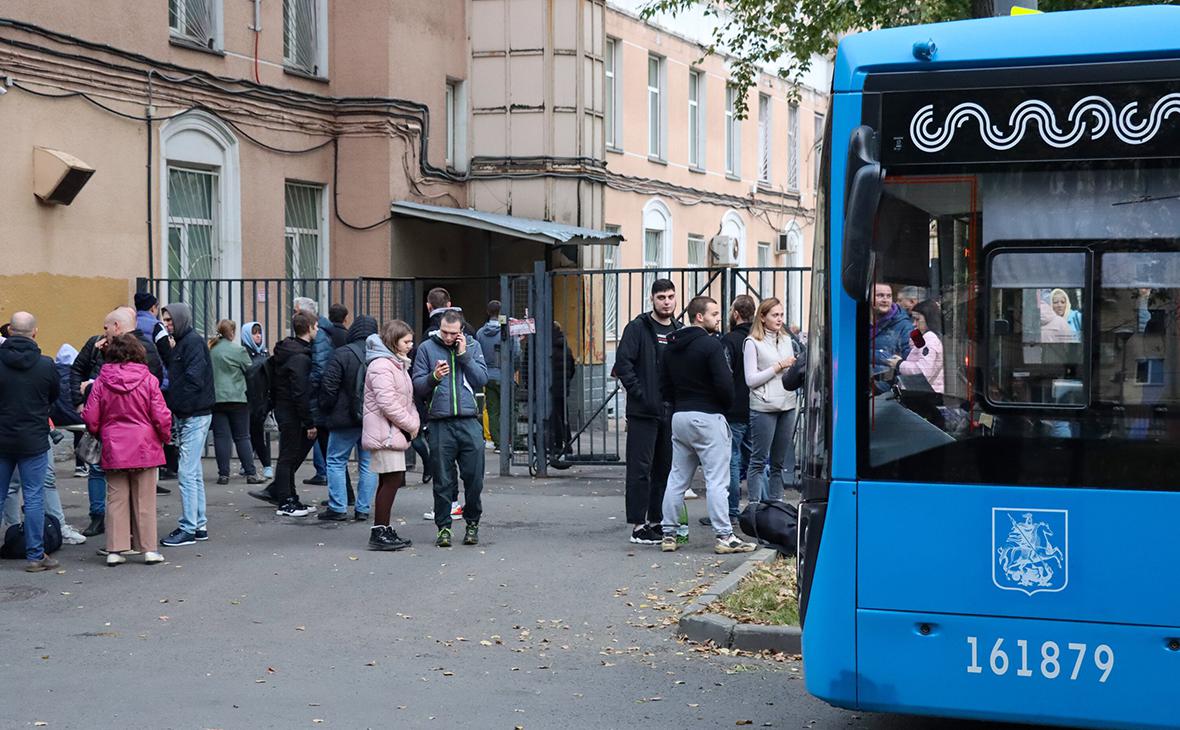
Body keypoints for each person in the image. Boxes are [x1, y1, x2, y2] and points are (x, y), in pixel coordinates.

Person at [658, 296, 757, 554]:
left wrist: (680, 402)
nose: (718, 318)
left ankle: (668, 533)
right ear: (699, 316)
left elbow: (664, 386)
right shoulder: (711, 346)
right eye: (714, 313)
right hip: (709, 417)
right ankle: (724, 536)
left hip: (680, 417)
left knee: (677, 478)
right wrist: (723, 406)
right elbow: (725, 384)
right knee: (717, 480)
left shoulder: (671, 346)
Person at [72, 308, 167, 537]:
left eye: (106, 327)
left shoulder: (143, 348)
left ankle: (121, 540)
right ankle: (132, 537)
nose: (103, 331)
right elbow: (77, 369)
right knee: (112, 479)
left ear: (116, 326)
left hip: (114, 429)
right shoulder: (96, 344)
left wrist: (91, 396)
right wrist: (79, 401)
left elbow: (143, 382)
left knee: (119, 491)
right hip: (132, 432)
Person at [81, 334, 171, 566]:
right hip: (145, 444)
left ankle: (115, 550)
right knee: (145, 499)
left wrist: (99, 432)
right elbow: (161, 415)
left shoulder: (101, 381)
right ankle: (149, 549)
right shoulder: (149, 380)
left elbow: (90, 416)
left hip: (114, 444)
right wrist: (165, 437)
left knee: (116, 499)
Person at [412, 309, 489, 547]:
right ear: (439, 328)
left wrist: (464, 355)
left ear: (461, 331)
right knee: (443, 481)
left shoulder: (473, 346)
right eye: (444, 332)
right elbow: (417, 385)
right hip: (439, 423)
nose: (447, 337)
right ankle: (443, 528)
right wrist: (433, 377)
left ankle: (472, 524)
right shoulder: (426, 348)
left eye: (452, 333)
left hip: (468, 421)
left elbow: (482, 379)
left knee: (474, 479)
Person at [615, 278, 682, 545]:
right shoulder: (638, 328)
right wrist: (641, 394)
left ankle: (656, 521)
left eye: (670, 297)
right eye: (661, 298)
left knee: (664, 468)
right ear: (652, 300)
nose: (666, 302)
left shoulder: (679, 329)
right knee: (640, 468)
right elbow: (624, 364)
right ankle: (638, 524)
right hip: (643, 411)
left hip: (671, 410)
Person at [0, 312, 61, 572]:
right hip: (34, 439)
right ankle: (36, 555)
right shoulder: (46, 365)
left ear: (10, 332)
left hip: (2, 438)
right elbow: (53, 395)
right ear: (34, 332)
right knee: (35, 497)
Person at [248, 311, 318, 517]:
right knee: (288, 456)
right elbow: (300, 391)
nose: (317, 330)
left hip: (283, 408)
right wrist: (309, 421)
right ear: (310, 328)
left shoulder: (286, 349)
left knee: (288, 455)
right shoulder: (300, 357)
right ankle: (286, 502)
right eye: (315, 326)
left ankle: (291, 498)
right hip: (291, 412)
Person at [159, 303, 215, 547]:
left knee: (186, 471)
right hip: (191, 413)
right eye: (165, 320)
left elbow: (193, 379)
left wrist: (177, 405)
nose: (167, 324)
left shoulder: (191, 343)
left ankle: (189, 527)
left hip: (194, 413)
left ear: (180, 320)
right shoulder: (184, 341)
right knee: (193, 472)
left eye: (170, 320)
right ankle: (198, 524)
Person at [700, 295, 757, 529]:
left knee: (731, 461)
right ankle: (759, 509)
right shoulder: (759, 338)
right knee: (757, 461)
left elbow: (722, 374)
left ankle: (732, 511)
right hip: (758, 407)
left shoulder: (729, 341)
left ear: (735, 314)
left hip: (733, 409)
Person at [361, 320, 419, 550]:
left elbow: (406, 399)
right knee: (392, 480)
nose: (410, 345)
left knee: (390, 480)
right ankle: (379, 531)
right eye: (406, 341)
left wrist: (411, 422)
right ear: (394, 341)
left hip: (392, 430)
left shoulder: (396, 364)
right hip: (385, 432)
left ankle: (382, 528)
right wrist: (411, 424)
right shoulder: (382, 366)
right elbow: (388, 403)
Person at [317, 315, 379, 521]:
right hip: (371, 419)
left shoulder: (342, 353)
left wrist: (326, 410)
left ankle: (338, 507)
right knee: (368, 464)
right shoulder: (379, 354)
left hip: (343, 418)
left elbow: (329, 386)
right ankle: (363, 509)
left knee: (336, 460)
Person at [744, 297, 801, 504]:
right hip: (764, 406)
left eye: (781, 315)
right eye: (774, 315)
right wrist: (778, 366)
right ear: (762, 317)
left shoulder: (787, 339)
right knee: (758, 460)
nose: (779, 319)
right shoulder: (752, 342)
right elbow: (750, 380)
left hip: (787, 403)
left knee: (778, 463)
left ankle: (777, 508)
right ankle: (754, 508)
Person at [209, 320, 264, 486]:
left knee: (221, 437)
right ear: (232, 332)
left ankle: (223, 474)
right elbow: (251, 371)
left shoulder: (212, 350)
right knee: (242, 436)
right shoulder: (239, 350)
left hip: (217, 398)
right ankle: (251, 473)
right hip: (238, 397)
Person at [293, 297, 333, 490]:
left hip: (317, 402)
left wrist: (306, 389)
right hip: (318, 401)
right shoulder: (322, 333)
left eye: (296, 312)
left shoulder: (319, 336)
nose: (294, 316)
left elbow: (319, 370)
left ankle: (279, 487)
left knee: (303, 449)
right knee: (325, 451)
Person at [240, 321, 274, 480]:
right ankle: (250, 462)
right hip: (248, 398)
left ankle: (266, 464)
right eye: (254, 333)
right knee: (249, 432)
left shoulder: (265, 353)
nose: (258, 336)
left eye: (259, 332)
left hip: (262, 400)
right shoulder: (243, 352)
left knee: (256, 433)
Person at [50, 343, 89, 479]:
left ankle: (47, 468)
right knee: (80, 431)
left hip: (53, 417)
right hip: (73, 416)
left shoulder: (51, 373)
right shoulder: (77, 376)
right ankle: (80, 465)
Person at [475, 300, 508, 450]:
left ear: (488, 313)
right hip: (505, 374)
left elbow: (477, 353)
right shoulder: (506, 331)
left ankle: (496, 441)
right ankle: (509, 440)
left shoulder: (480, 333)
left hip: (487, 375)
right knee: (508, 408)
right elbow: (516, 353)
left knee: (491, 409)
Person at [870, 282, 913, 390]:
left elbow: (909, 363)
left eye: (888, 296)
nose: (885, 300)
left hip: (885, 392)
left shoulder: (904, 326)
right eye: (879, 295)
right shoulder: (855, 321)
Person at [899, 300, 945, 393]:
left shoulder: (929, 339)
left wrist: (898, 363)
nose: (914, 324)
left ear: (929, 319)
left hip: (925, 396)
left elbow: (923, 372)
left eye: (917, 319)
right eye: (913, 319)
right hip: (924, 393)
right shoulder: (927, 337)